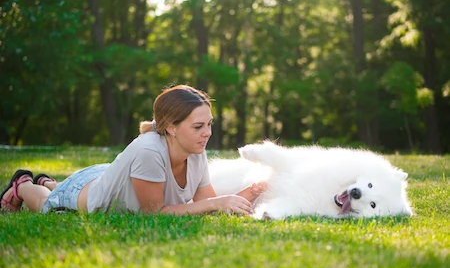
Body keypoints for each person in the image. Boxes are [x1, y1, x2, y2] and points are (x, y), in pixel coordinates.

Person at [1, 85, 266, 215]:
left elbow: (205, 203)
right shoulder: (149, 151)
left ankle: (51, 183)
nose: (207, 133)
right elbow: (155, 213)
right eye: (198, 126)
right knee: (48, 205)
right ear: (171, 127)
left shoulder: (195, 150)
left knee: (60, 188)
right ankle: (24, 185)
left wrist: (252, 192)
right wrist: (218, 202)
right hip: (88, 196)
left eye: (209, 124)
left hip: (106, 177)